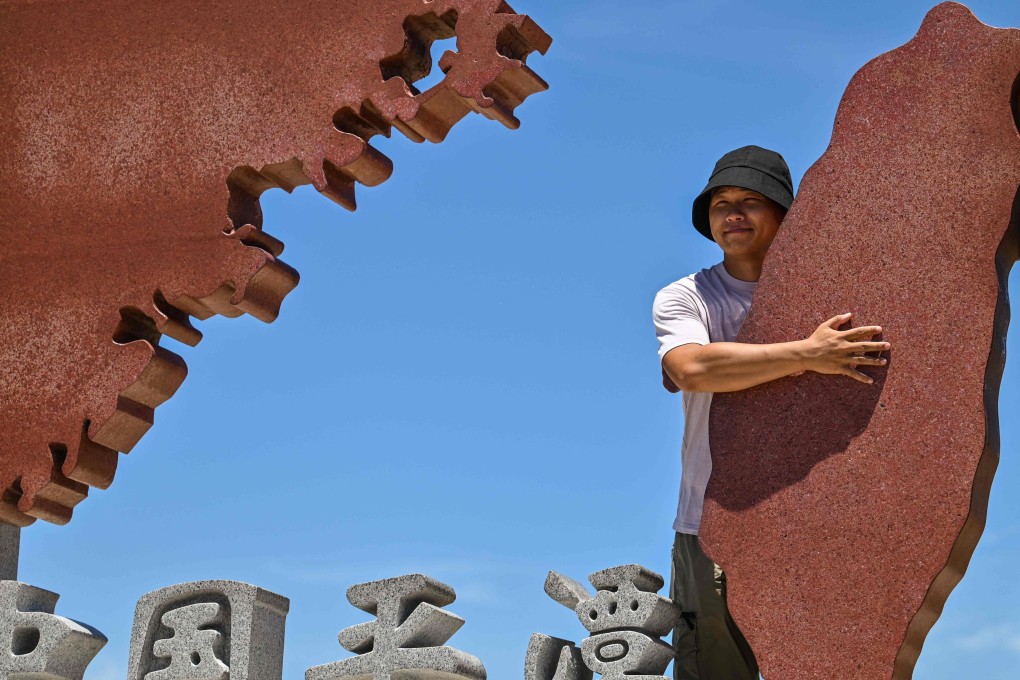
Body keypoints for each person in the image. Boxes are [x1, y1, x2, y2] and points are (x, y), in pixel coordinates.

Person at [652, 145, 890, 680]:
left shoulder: (840, 296)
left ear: (786, 213)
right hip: (711, 522)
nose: (733, 213)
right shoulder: (686, 297)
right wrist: (808, 354)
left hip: (823, 519)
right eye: (721, 203)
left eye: (751, 200)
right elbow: (692, 368)